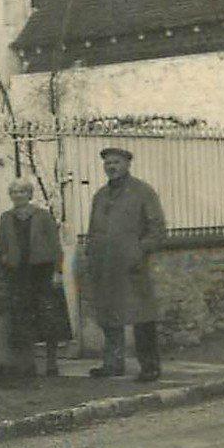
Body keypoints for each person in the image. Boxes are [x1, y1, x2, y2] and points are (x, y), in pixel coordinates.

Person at [85, 146, 168, 381]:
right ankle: (113, 363)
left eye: (116, 162)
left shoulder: (142, 192)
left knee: (142, 316)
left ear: (127, 164)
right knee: (109, 316)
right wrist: (92, 254)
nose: (111, 167)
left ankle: (150, 366)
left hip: (132, 266)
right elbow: (94, 230)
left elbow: (157, 229)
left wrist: (139, 252)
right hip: (105, 266)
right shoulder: (100, 196)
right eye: (108, 163)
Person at [0, 178, 63, 378]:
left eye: (22, 192)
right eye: (14, 192)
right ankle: (27, 364)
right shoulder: (6, 218)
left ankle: (52, 362)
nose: (18, 196)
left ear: (29, 194)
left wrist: (58, 271)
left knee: (48, 316)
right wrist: (5, 258)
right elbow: (1, 244)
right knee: (22, 317)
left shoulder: (42, 216)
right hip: (18, 272)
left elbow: (55, 245)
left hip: (41, 270)